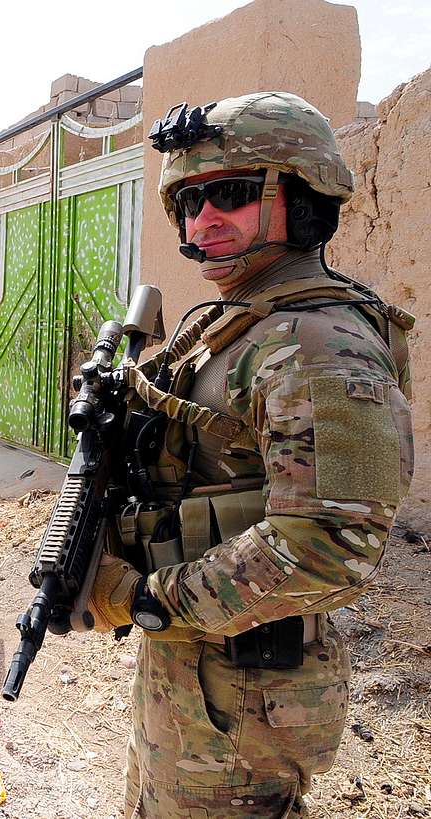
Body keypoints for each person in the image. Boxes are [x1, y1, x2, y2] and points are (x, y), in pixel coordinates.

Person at [74, 93, 414, 818]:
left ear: (301, 194)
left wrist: (144, 599)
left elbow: (330, 546)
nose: (202, 220)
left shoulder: (319, 345)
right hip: (199, 676)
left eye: (228, 193)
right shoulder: (239, 324)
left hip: (242, 704)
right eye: (188, 201)